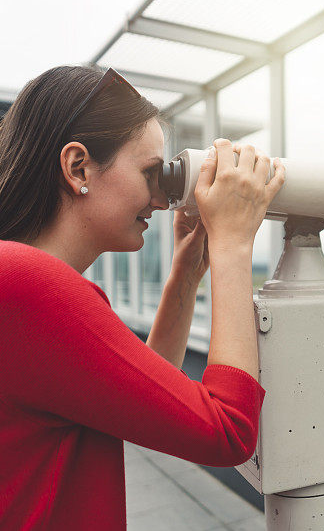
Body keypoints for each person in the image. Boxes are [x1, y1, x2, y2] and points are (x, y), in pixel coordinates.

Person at [0, 65, 285, 529]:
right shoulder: (27, 285)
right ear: (78, 167)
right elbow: (227, 430)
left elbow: (144, 404)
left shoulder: (16, 280)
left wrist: (186, 274)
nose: (160, 199)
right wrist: (235, 245)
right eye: (151, 173)